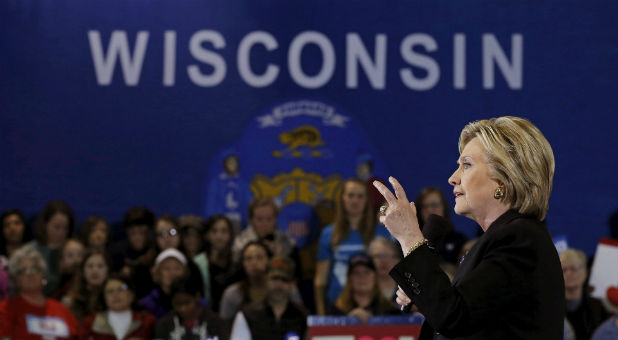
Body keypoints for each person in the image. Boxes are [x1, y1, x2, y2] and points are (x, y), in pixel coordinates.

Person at [374, 116, 565, 339]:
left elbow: (455, 319)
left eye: (466, 165)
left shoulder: (519, 239)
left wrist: (409, 236)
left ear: (503, 179)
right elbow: (471, 314)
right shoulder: (505, 239)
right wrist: (427, 300)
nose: (452, 178)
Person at [314, 178, 390, 315]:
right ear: (342, 199)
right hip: (338, 306)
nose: (355, 200)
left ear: (367, 200)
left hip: (376, 307)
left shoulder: (382, 232)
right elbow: (321, 280)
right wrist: (321, 314)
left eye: (360, 196)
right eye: (350, 195)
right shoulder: (329, 233)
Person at [0, 246, 79, 339]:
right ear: (15, 279)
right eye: (23, 271)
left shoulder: (62, 310)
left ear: (43, 274)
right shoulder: (5, 310)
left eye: (35, 269)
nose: (30, 274)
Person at [230, 256, 308, 340]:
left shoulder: (303, 317)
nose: (278, 285)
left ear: (293, 284)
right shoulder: (247, 315)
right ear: (265, 280)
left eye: (284, 280)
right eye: (274, 279)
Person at [231, 198, 300, 275]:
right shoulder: (241, 244)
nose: (265, 224)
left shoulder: (287, 243)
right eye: (259, 219)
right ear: (251, 220)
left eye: (269, 219)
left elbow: (294, 276)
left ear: (276, 219)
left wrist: (278, 257)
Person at [80, 274, 156, 340]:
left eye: (121, 289)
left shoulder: (147, 321)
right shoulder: (91, 323)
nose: (115, 295)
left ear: (131, 295)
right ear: (104, 298)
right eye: (110, 291)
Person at [23, 200, 75, 296]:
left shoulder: (73, 250)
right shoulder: (28, 251)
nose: (61, 233)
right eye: (56, 227)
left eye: (65, 228)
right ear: (45, 224)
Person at [329, 253, 400, 322]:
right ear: (349, 278)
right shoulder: (336, 311)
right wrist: (348, 320)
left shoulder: (390, 311)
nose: (362, 277)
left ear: (375, 277)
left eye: (367, 272)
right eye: (356, 273)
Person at [560, 248, 610, 340]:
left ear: (585, 272)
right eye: (563, 270)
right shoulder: (553, 308)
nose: (569, 273)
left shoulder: (600, 304)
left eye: (574, 268)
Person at [154, 277, 225, 340]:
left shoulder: (214, 321)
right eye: (177, 304)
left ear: (197, 297)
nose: (183, 308)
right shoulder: (165, 324)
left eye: (187, 303)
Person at [109, 206, 156, 299]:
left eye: (142, 232)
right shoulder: (116, 253)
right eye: (133, 233)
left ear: (149, 232)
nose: (137, 237)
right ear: (127, 231)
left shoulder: (157, 253)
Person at [415, 187, 468, 265]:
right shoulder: (414, 241)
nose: (429, 210)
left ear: (444, 207)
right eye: (424, 207)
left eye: (434, 205)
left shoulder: (460, 240)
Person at [140, 248, 194, 319]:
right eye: (167, 268)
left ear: (185, 272)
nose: (172, 273)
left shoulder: (196, 302)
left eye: (177, 268)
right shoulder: (146, 304)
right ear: (157, 273)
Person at [198, 214, 236, 313]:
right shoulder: (198, 263)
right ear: (207, 235)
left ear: (230, 235)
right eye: (214, 231)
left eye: (224, 231)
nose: (219, 236)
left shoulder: (237, 261)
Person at [62, 250, 111, 322]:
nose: (95, 270)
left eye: (100, 266)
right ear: (83, 271)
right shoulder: (70, 302)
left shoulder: (114, 300)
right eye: (90, 266)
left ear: (108, 271)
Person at [368, 237, 401, 303]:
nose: (383, 261)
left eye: (388, 256)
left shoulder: (408, 289)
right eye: (378, 256)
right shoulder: (361, 288)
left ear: (397, 260)